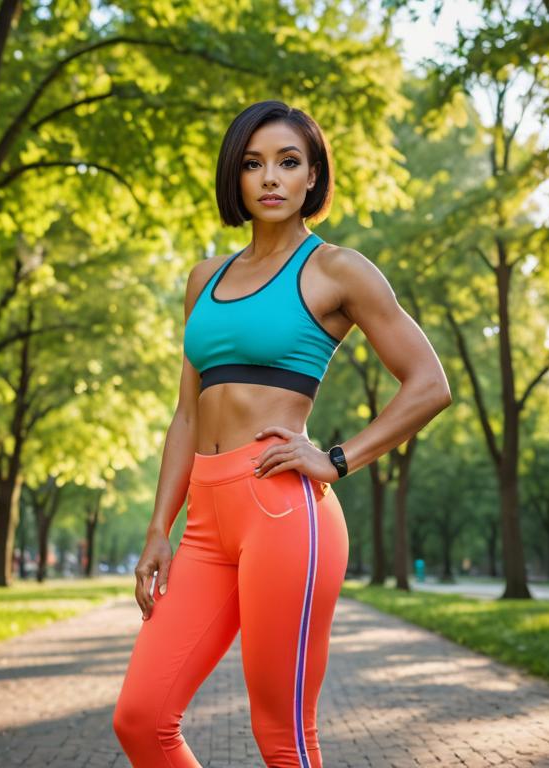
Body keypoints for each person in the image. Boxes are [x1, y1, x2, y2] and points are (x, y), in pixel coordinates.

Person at [112, 99, 452, 768]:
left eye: (288, 162)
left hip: (282, 510)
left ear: (311, 177)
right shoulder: (204, 278)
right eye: (253, 163)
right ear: (236, 178)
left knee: (282, 734)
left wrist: (337, 457)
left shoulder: (337, 270)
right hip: (205, 524)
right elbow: (186, 413)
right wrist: (160, 527)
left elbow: (428, 383)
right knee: (141, 718)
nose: (270, 177)